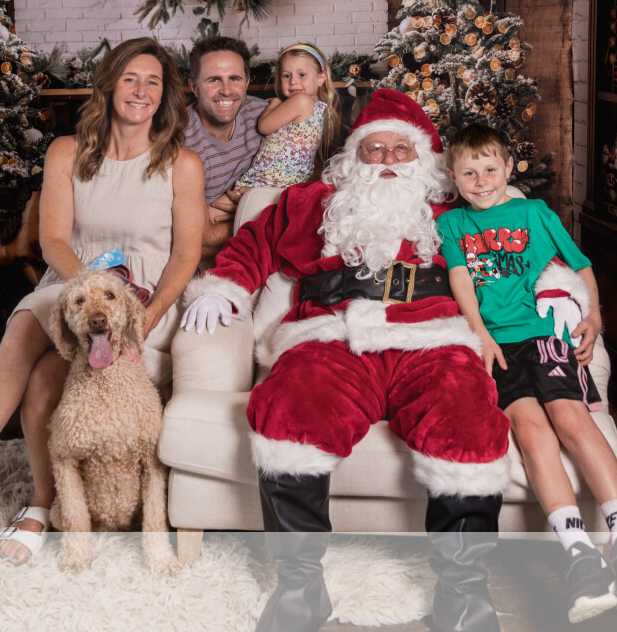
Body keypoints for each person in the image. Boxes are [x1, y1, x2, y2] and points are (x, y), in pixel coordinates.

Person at [0, 38, 206, 566]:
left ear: (165, 96)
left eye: (153, 82)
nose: (141, 91)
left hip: (142, 300)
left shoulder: (182, 164)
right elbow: (52, 241)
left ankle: (35, 502)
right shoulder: (67, 151)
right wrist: (86, 293)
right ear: (109, 84)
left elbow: (185, 256)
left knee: (48, 377)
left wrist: (143, 315)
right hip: (72, 282)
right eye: (130, 78)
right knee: (28, 322)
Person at [181, 88, 511, 632]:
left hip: (431, 339)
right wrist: (224, 288)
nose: (386, 159)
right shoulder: (311, 202)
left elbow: (519, 250)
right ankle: (300, 589)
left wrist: (560, 292)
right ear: (353, 156)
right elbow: (253, 243)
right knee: (289, 408)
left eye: (400, 148)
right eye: (373, 148)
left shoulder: (455, 210)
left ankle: (464, 594)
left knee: (468, 418)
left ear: (424, 156)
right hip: (333, 336)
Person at [435, 123, 617, 623]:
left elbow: (580, 266)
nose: (481, 181)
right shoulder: (452, 225)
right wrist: (480, 335)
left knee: (569, 418)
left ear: (508, 169)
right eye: (469, 173)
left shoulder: (535, 213)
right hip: (499, 346)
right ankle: (581, 557)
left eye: (490, 169)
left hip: (544, 335)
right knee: (530, 432)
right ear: (452, 177)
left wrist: (594, 316)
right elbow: (461, 281)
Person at [183, 36, 267, 261]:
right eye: (214, 80)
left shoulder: (266, 117)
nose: (227, 90)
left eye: (235, 79)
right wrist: (259, 212)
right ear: (194, 86)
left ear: (247, 83)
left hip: (254, 254)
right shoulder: (179, 140)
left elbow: (305, 174)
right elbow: (201, 241)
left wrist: (252, 203)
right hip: (203, 264)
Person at [233, 43, 338, 190]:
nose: (293, 81)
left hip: (271, 180)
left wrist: (275, 103)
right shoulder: (315, 106)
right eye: (287, 75)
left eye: (302, 75)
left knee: (216, 204)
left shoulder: (301, 100)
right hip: (282, 181)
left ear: (321, 78)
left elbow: (263, 126)